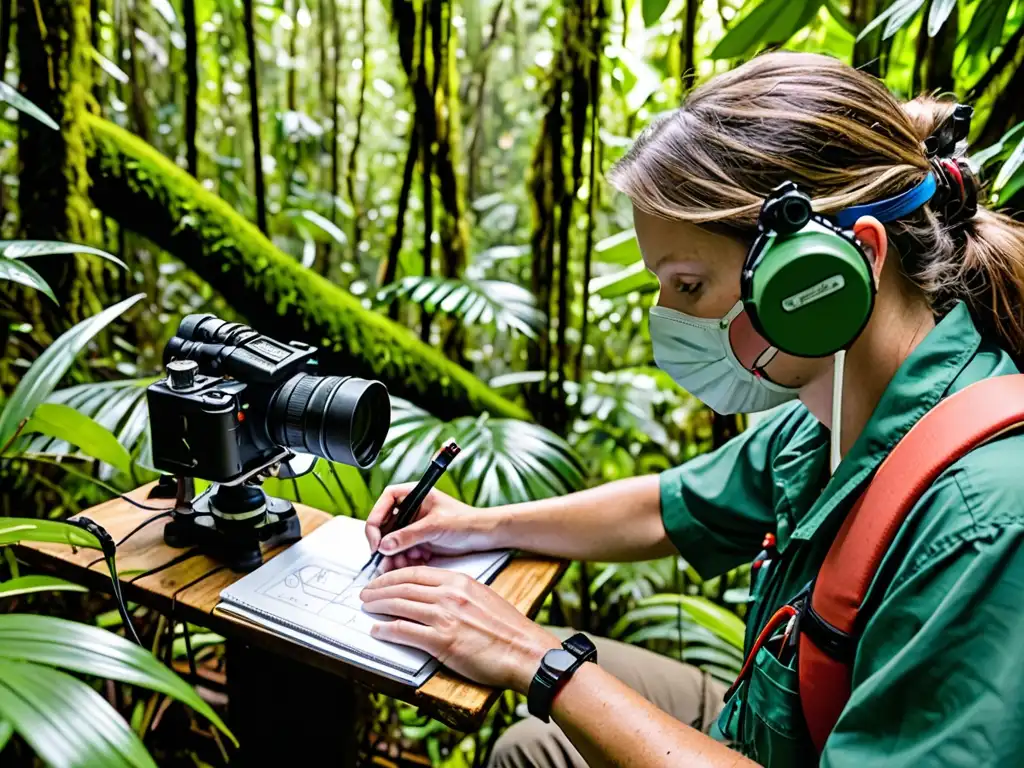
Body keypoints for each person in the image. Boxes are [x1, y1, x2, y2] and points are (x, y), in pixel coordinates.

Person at [358, 51, 1024, 767]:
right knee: (532, 748)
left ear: (839, 268)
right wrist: (474, 526)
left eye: (688, 283)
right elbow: (665, 508)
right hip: (778, 719)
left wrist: (539, 660)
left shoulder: (983, 519)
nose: (667, 317)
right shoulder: (828, 414)